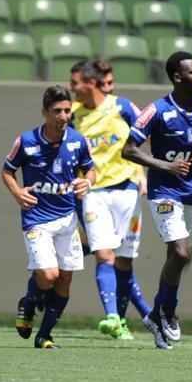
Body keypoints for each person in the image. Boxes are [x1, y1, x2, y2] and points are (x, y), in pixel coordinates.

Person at [122, 51, 192, 346]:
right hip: (164, 193)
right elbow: (129, 149)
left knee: (178, 255)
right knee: (182, 253)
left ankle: (156, 314)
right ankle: (168, 311)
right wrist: (166, 166)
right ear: (177, 77)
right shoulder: (157, 110)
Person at [68, 60, 155, 344]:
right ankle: (114, 318)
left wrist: (143, 173)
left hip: (127, 191)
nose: (72, 89)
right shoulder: (73, 115)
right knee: (105, 256)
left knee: (123, 262)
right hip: (92, 193)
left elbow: (145, 137)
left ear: (90, 83)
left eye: (75, 83)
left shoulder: (123, 107)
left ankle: (144, 316)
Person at [4, 85, 95, 349]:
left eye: (67, 110)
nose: (63, 116)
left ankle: (44, 335)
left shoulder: (78, 141)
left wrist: (87, 183)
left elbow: (90, 170)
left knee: (65, 278)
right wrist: (17, 193)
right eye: (57, 111)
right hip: (37, 219)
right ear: (45, 112)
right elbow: (7, 171)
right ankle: (29, 301)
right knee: (49, 275)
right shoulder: (26, 141)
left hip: (67, 219)